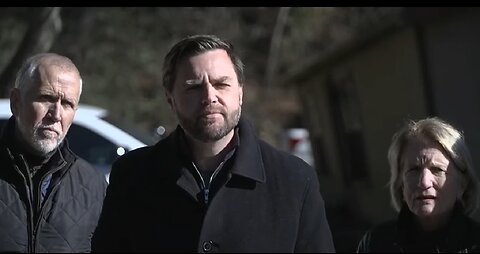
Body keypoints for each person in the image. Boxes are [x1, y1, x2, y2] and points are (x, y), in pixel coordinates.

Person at [92, 34, 335, 252]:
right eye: (194, 87)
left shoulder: (293, 180)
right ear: (170, 99)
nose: (210, 97)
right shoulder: (133, 176)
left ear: (240, 92)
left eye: (221, 84)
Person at [0, 53, 108, 252]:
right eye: (46, 98)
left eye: (67, 104)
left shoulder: (94, 186)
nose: (56, 114)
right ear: (16, 102)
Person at [356, 117, 480, 252]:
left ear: (462, 184)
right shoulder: (375, 243)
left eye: (437, 170)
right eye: (414, 170)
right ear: (401, 184)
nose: (424, 183)